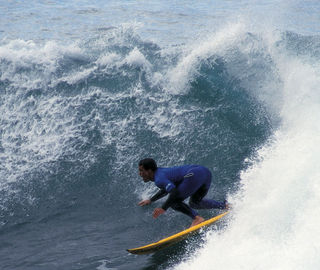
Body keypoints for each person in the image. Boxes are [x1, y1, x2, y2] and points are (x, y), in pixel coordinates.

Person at [138, 158, 229, 227]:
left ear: (149, 171)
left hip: (193, 175)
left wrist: (163, 208)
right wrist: (151, 200)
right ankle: (225, 206)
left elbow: (174, 192)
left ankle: (197, 218)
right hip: (205, 172)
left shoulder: (159, 179)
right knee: (195, 202)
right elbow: (166, 189)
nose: (140, 174)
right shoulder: (161, 173)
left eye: (142, 170)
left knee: (173, 202)